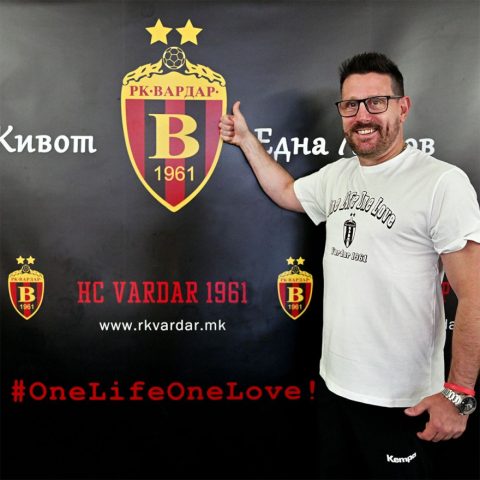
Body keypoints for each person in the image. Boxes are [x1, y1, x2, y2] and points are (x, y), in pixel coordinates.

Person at [219, 52, 480, 478]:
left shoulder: (441, 183)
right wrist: (247, 140)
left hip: (403, 400)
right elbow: (286, 191)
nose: (362, 116)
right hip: (334, 387)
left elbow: (475, 297)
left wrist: (459, 395)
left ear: (402, 107)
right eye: (351, 105)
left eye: (376, 102)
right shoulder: (337, 176)